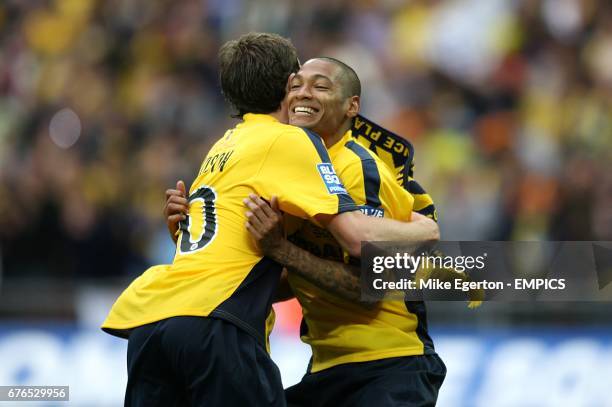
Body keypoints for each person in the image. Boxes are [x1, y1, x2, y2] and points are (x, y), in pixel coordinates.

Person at [104, 34, 438, 407]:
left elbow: (373, 283)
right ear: (285, 87)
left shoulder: (233, 146)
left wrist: (425, 230)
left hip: (386, 363)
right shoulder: (290, 148)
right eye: (298, 84)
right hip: (224, 324)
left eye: (320, 86)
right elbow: (282, 265)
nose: (305, 93)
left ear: (351, 106)